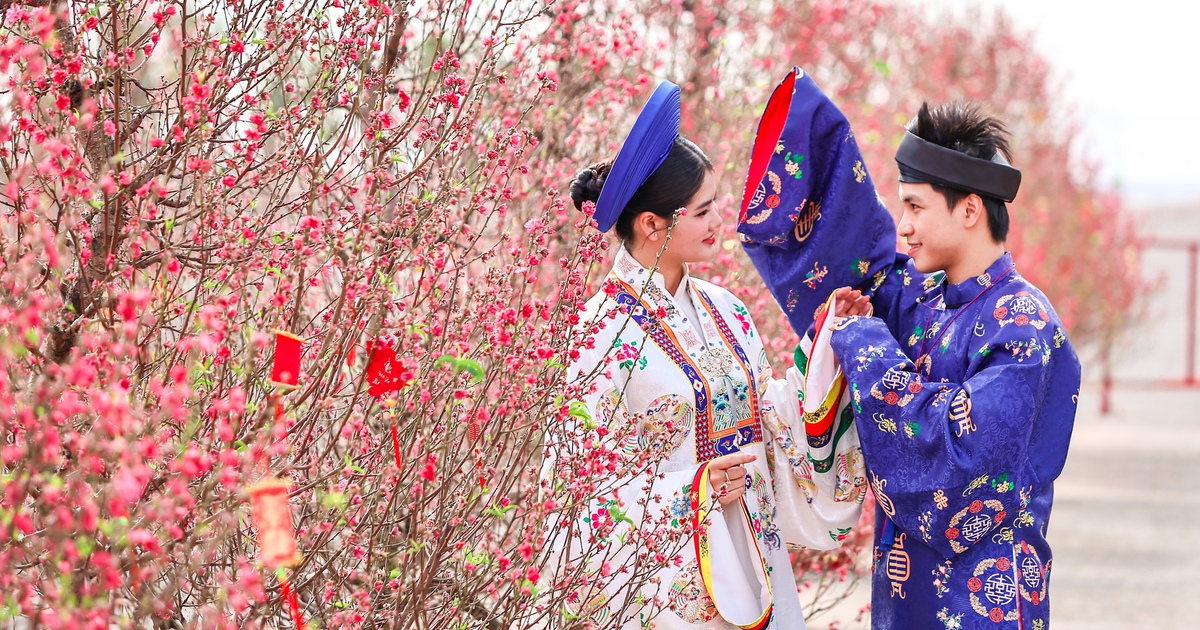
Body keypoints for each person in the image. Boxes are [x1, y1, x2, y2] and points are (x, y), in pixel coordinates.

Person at [737, 67, 1081, 629]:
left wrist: (865, 341)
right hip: (902, 599)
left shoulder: (1023, 325)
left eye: (916, 208)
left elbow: (961, 466)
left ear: (969, 210)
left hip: (986, 605)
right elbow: (853, 259)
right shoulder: (920, 298)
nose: (903, 226)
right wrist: (806, 131)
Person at [545, 80, 866, 629]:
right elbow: (576, 486)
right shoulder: (598, 334)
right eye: (702, 211)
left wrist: (823, 348)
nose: (720, 223)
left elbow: (770, 419)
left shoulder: (727, 310)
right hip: (664, 588)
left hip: (755, 554)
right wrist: (694, 489)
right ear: (652, 224)